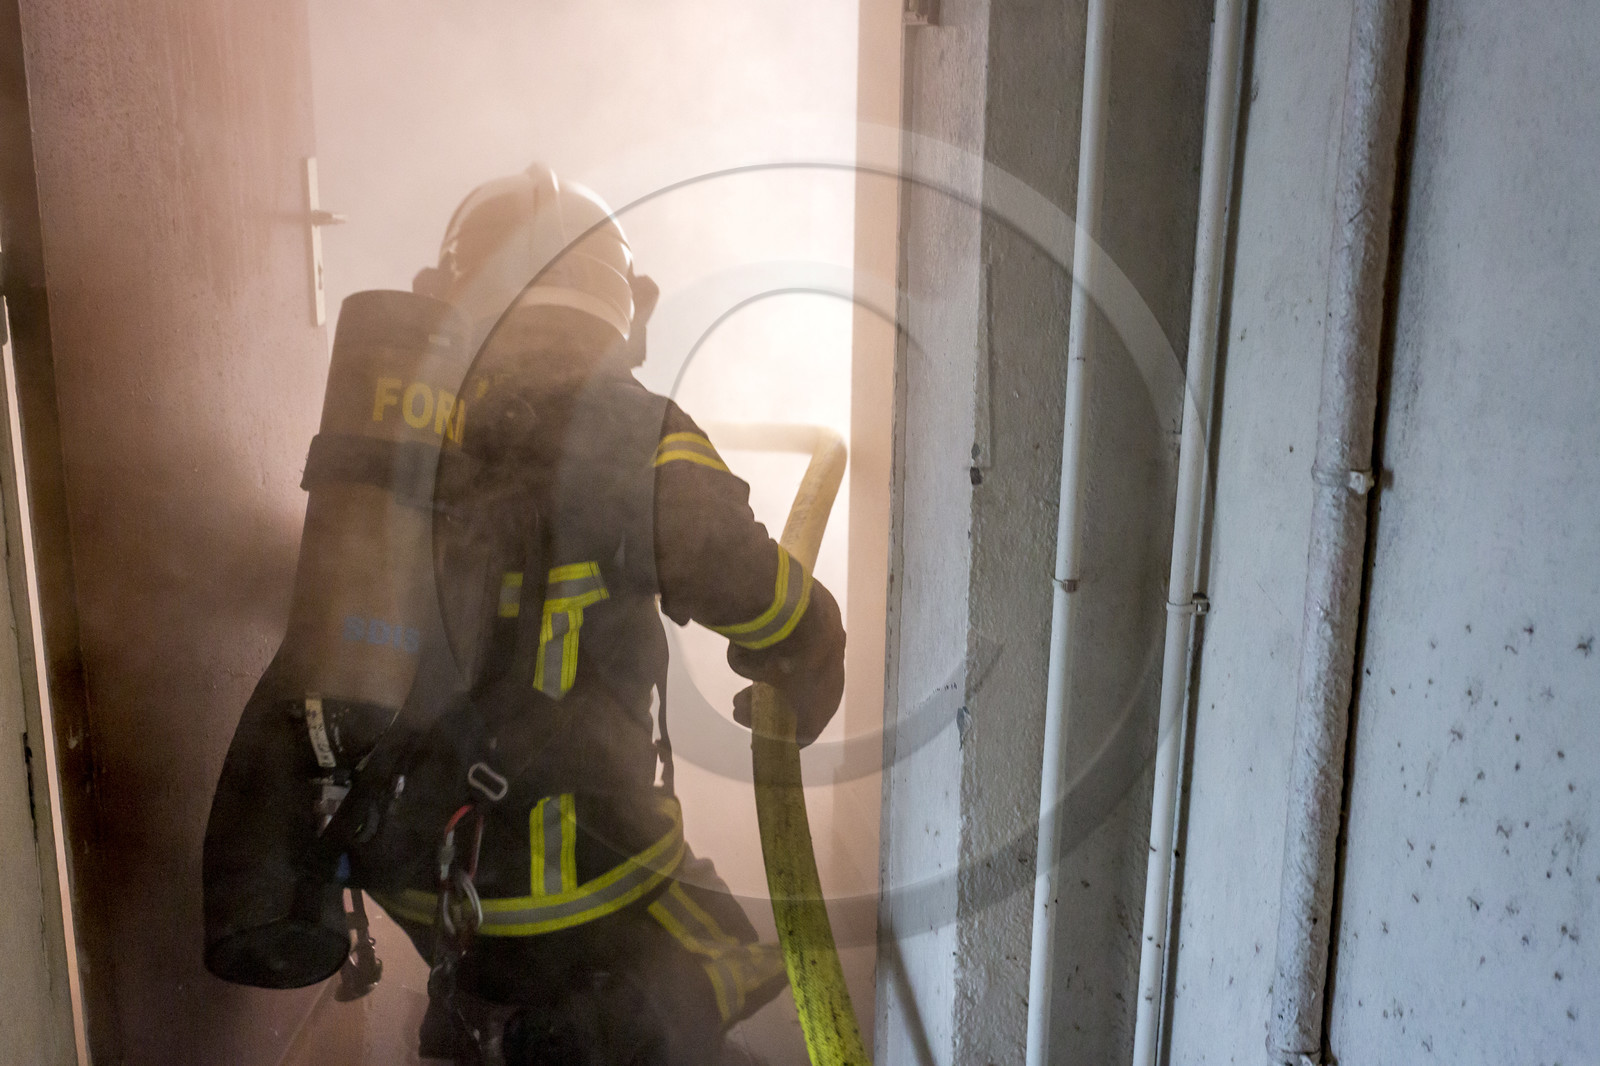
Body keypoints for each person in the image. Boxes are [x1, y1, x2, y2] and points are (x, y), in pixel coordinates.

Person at [354, 163, 847, 1065]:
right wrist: (814, 637)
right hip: (581, 881)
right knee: (740, 950)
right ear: (631, 307)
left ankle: (500, 1027)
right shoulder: (633, 431)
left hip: (427, 882)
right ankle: (567, 1041)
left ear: (448, 297)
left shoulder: (400, 429)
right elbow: (749, 587)